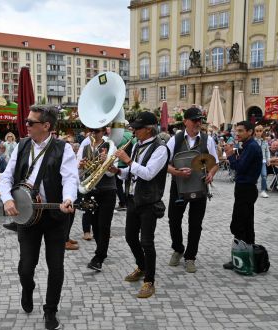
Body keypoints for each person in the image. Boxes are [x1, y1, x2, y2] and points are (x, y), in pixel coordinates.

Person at [0, 104, 78, 330]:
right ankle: (28, 287)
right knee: (26, 267)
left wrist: (68, 199)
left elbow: (70, 178)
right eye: (26, 121)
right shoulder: (22, 145)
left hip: (55, 216)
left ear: (46, 126)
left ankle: (50, 310)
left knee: (56, 267)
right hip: (27, 217)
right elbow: (6, 177)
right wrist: (7, 199)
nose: (26, 126)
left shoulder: (63, 148)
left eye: (30, 123)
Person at [113, 112, 169, 298]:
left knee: (147, 242)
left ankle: (149, 281)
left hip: (148, 201)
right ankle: (142, 266)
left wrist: (128, 160)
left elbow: (148, 173)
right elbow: (132, 172)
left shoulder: (160, 149)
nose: (133, 131)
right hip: (133, 199)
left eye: (137, 128)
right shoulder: (137, 145)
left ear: (148, 129)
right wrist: (118, 170)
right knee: (130, 237)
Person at [166, 107, 219, 273]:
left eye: (200, 120)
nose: (198, 123)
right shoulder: (174, 140)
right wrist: (176, 172)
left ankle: (190, 257)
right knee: (173, 220)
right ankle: (178, 248)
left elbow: (215, 163)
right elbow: (164, 163)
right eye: (195, 120)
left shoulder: (207, 139)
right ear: (185, 122)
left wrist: (210, 174)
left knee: (195, 224)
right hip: (179, 186)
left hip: (200, 186)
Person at [223, 121, 263, 269]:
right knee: (246, 223)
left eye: (240, 131)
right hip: (245, 187)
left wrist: (230, 155)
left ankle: (240, 259)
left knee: (239, 224)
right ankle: (245, 256)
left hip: (246, 188)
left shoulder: (252, 147)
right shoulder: (248, 146)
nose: (237, 133)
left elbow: (239, 167)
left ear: (250, 132)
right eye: (236, 131)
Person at [76, 127, 117, 272]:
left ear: (103, 132)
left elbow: (112, 174)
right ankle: (102, 250)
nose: (94, 133)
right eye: (91, 131)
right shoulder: (85, 146)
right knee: (95, 224)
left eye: (97, 131)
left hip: (107, 190)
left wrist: (106, 163)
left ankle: (99, 257)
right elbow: (79, 171)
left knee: (104, 225)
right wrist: (80, 166)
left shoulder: (110, 145)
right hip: (90, 190)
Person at [254, 125, 270, 198]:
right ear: (255, 132)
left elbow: (267, 151)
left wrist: (268, 159)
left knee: (264, 175)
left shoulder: (265, 141)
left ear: (262, 132)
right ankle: (253, 189)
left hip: (263, 161)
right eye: (257, 131)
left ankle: (263, 190)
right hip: (254, 161)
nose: (258, 133)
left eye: (260, 131)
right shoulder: (253, 141)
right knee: (254, 176)